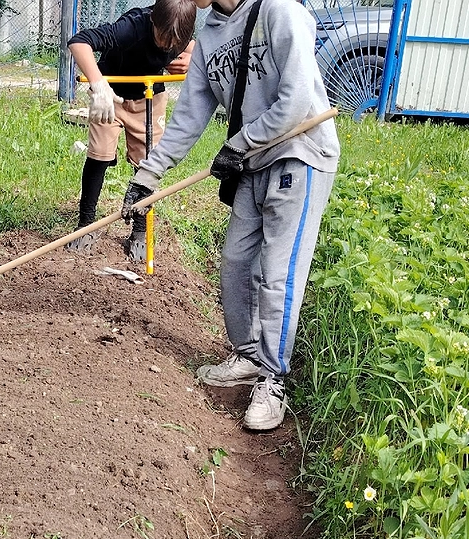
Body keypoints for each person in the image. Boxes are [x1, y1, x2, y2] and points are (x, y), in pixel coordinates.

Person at [120, 0, 340, 430]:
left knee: (277, 272)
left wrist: (241, 142)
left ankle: (274, 379)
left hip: (300, 153)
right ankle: (248, 356)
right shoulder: (211, 35)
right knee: (237, 264)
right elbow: (188, 118)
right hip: (252, 163)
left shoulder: (281, 12)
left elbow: (295, 100)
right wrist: (147, 177)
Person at [63, 0, 197, 257]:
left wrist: (190, 60)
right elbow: (79, 41)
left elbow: (197, 50)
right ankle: (86, 224)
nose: (168, 46)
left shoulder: (180, 34)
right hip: (111, 96)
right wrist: (98, 84)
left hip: (149, 98)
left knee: (147, 164)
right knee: (99, 155)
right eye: (162, 38)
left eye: (175, 42)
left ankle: (139, 230)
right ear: (152, 21)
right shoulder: (132, 27)